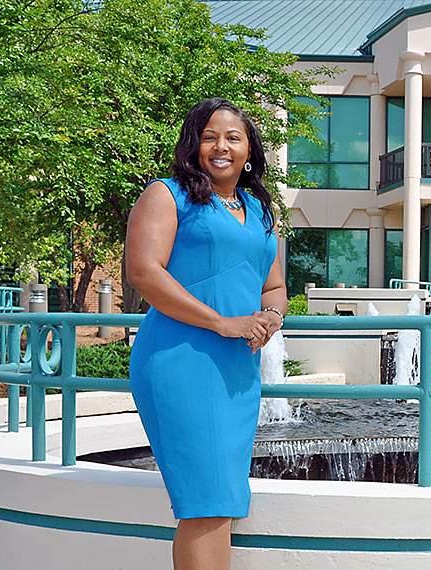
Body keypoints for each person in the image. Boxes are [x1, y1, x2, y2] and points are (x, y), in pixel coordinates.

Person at [125, 98, 287, 570]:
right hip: (181, 359)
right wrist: (223, 322)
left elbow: (274, 286)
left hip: (237, 367)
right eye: (209, 136)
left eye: (233, 137)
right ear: (193, 144)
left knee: (223, 500)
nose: (221, 146)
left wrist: (269, 320)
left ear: (250, 150)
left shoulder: (259, 209)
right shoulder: (167, 194)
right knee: (206, 500)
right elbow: (144, 273)